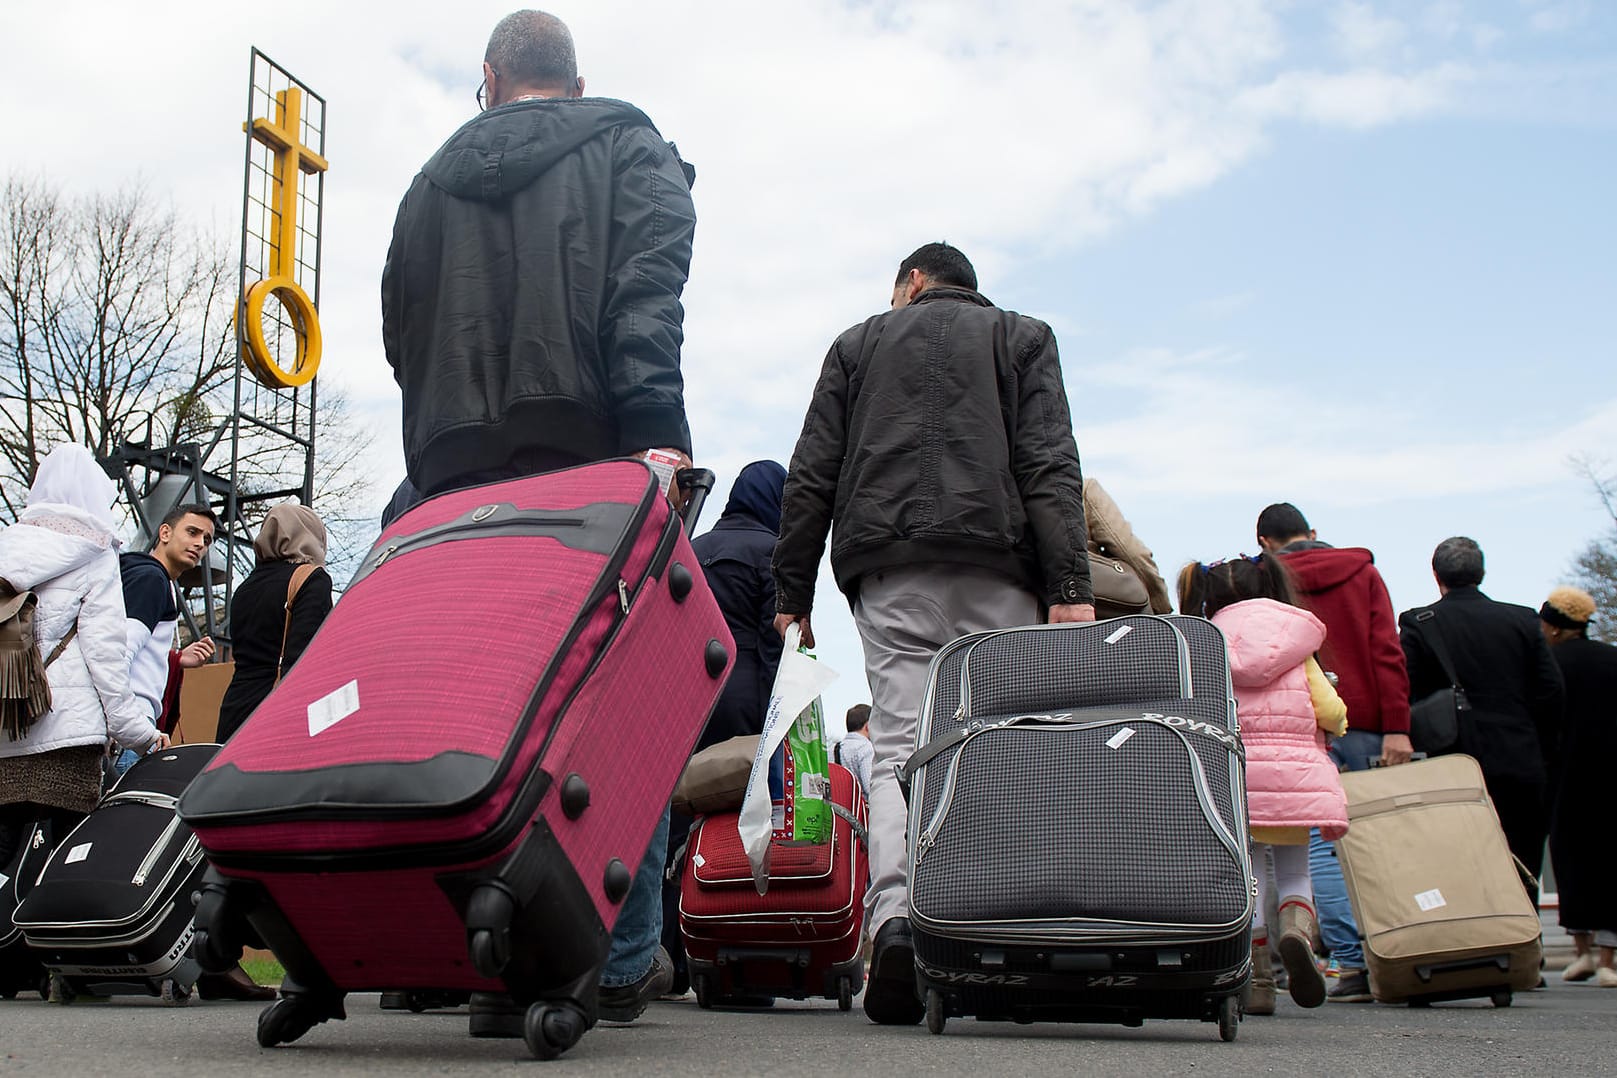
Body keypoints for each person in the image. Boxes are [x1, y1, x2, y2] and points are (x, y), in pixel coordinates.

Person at [380, 9, 698, 1032]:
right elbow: (648, 293)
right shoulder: (625, 140)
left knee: (474, 706)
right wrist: (657, 426)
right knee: (612, 691)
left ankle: (485, 944)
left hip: (452, 471)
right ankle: (615, 950)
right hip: (592, 453)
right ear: (572, 75)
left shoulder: (429, 181)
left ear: (489, 78)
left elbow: (401, 324)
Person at [772, 242, 1094, 1025]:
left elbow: (812, 467)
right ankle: (995, 938)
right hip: (1000, 569)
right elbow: (1048, 461)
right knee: (1002, 746)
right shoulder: (1023, 338)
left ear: (911, 282)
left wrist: (792, 590)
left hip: (889, 571)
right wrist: (1069, 586)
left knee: (895, 750)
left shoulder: (856, 345)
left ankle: (895, 922)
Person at [1255, 501, 1411, 1003]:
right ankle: (1370, 954)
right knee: (1367, 844)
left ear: (1265, 543)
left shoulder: (1267, 579)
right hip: (1363, 721)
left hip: (1295, 722)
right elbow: (1386, 648)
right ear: (1314, 532)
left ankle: (1285, 961)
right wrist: (1398, 727)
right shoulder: (1362, 573)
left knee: (1292, 842)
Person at [1177, 554, 1347, 1014]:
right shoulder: (1297, 644)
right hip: (1295, 779)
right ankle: (1295, 934)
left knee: (1247, 876)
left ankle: (1258, 983)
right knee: (1295, 872)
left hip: (1234, 780)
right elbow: (1330, 710)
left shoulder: (1207, 642)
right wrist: (1335, 727)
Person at [0, 445, 166, 869]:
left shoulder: (6, 549)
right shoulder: (96, 555)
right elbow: (106, 659)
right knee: (58, 869)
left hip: (5, 733)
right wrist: (141, 734)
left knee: (4, 862)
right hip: (67, 742)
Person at [659, 461, 787, 995]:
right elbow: (775, 640)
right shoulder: (773, 552)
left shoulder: (694, 545)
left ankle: (666, 953)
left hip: (684, 699)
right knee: (742, 822)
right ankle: (733, 949)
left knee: (675, 824)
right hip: (744, 700)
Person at [1399, 537, 1563, 905]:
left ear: (1436, 574)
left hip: (1453, 759)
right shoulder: (1523, 619)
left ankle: (1478, 942)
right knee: (1522, 858)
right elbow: (1551, 690)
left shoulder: (1420, 622)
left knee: (1463, 858)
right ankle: (1526, 940)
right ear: (1482, 573)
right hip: (1521, 755)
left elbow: (1405, 689)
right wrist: (1541, 745)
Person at [1538, 587, 1617, 987]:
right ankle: (1609, 958)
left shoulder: (1547, 663)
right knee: (1610, 859)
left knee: (1570, 859)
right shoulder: (1610, 659)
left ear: (1551, 625)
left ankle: (1581, 951)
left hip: (1562, 772)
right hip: (1609, 772)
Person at [215, 503, 334, 742]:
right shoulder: (311, 579)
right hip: (276, 715)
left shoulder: (245, 588)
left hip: (234, 710)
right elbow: (305, 660)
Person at [120, 503, 219, 754]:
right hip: (130, 723)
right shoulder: (151, 580)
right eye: (192, 532)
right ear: (165, 533)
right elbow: (120, 650)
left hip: (129, 722)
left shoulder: (155, 580)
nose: (200, 544)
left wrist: (174, 658)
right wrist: (128, 723)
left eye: (207, 540)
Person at [835, 704, 873, 798]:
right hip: (860, 810)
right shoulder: (866, 748)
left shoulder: (833, 749)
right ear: (868, 726)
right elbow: (870, 788)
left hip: (836, 809)